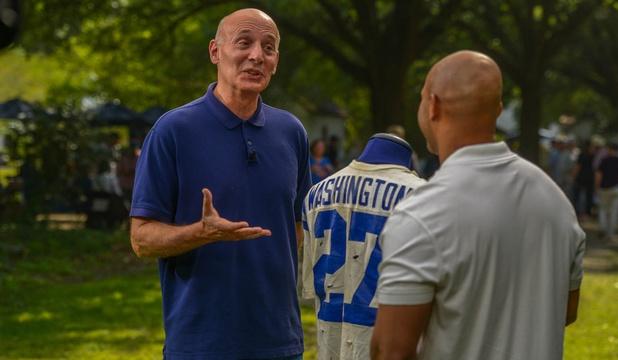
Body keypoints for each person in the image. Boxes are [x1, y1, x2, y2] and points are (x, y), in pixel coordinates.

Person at [370, 51, 585, 360]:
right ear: (498, 109)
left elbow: (390, 351)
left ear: (432, 106)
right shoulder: (555, 201)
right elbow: (565, 311)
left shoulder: (423, 213)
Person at [129, 9, 311, 359]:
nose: (257, 55)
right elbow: (141, 239)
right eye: (244, 42)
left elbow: (297, 227)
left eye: (268, 47)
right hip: (200, 345)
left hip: (280, 343)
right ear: (216, 51)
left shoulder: (291, 132)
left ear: (275, 61)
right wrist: (201, 232)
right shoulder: (173, 131)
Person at [302, 133, 426, 360]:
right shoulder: (424, 196)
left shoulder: (314, 195)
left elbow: (311, 285)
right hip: (385, 343)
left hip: (330, 344)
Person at [595, 143, 618, 240]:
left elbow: (598, 176)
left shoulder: (604, 161)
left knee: (603, 210)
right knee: (614, 211)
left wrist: (597, 188)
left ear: (609, 150)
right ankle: (610, 233)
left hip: (604, 189)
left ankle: (603, 227)